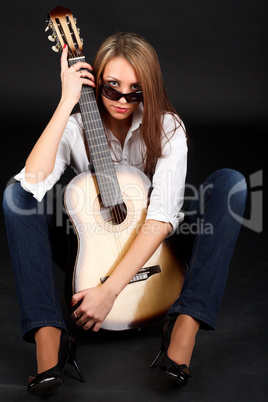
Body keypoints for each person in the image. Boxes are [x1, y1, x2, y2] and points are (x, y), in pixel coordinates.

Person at [2, 32, 247, 396]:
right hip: (93, 247)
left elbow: (162, 217)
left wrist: (109, 291)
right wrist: (67, 100)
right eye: (111, 87)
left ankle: (183, 328)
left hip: (157, 251)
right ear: (95, 81)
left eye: (136, 91)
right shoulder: (77, 126)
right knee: (15, 195)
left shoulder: (167, 127)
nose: (122, 99)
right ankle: (49, 335)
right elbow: (32, 182)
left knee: (232, 183)